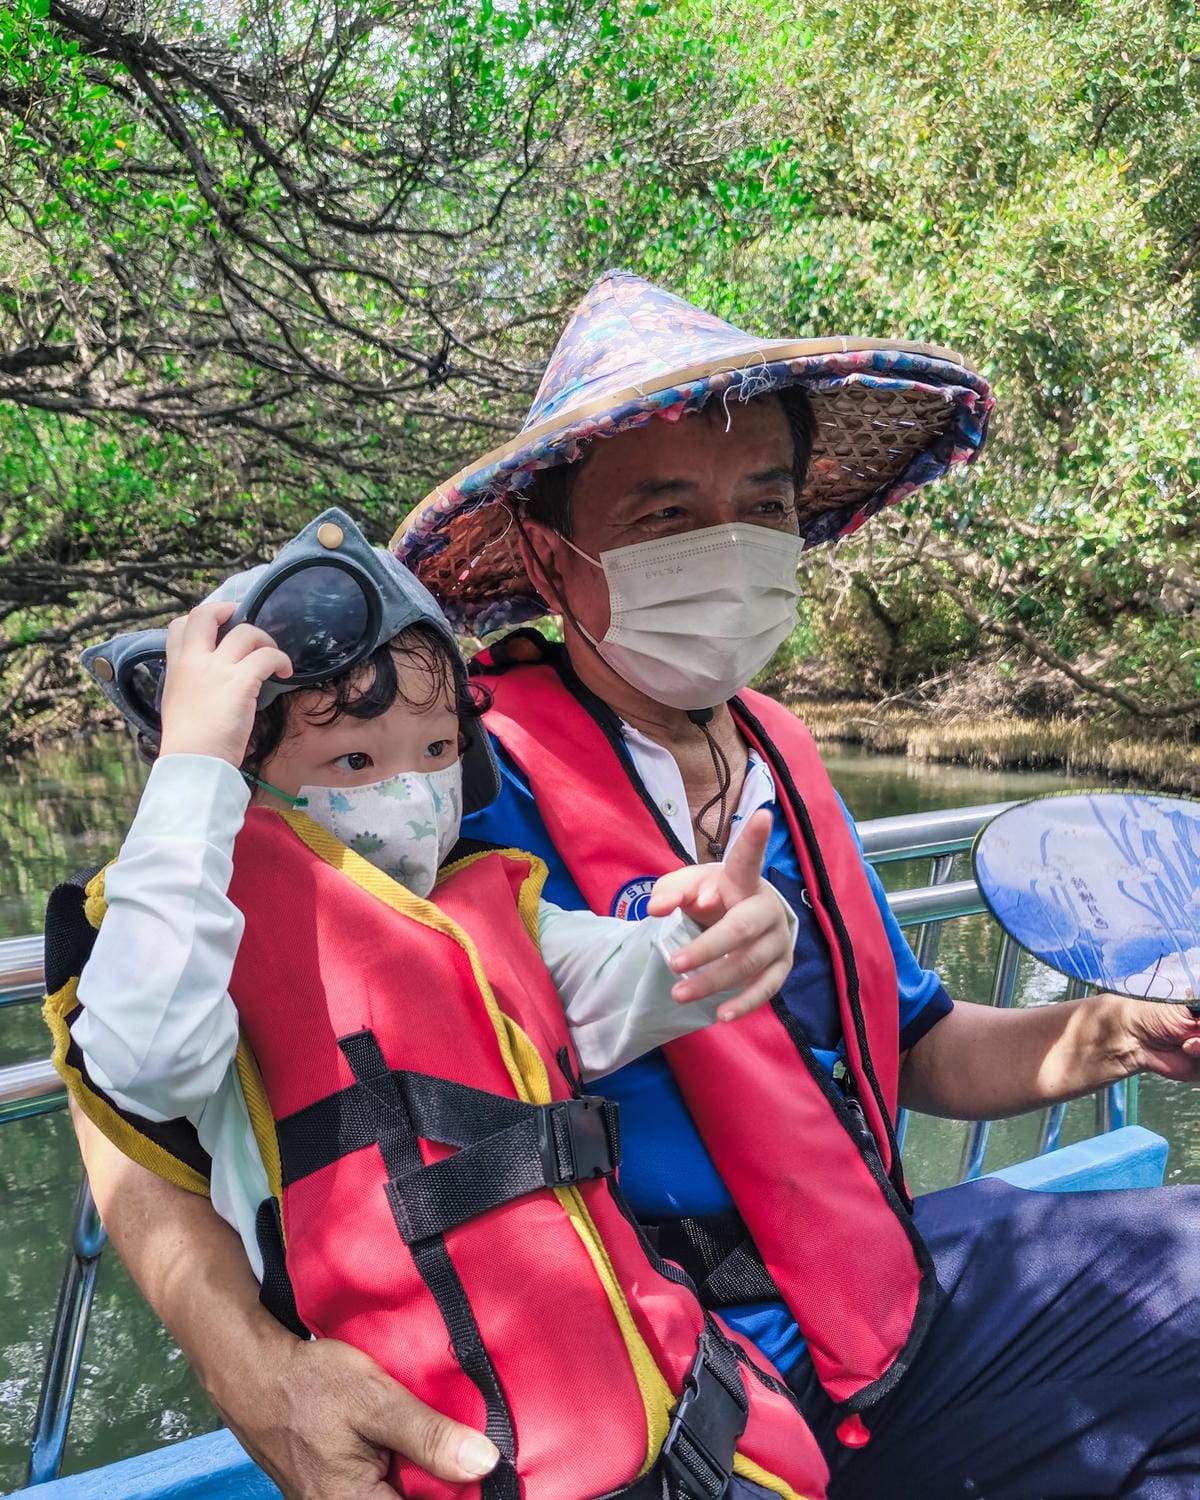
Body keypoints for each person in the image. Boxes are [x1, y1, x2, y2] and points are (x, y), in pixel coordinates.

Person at [66, 271, 1200, 1500]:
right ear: (553, 565)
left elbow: (912, 1045)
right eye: (666, 517)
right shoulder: (440, 765)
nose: (729, 543)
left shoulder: (779, 750)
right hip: (665, 1377)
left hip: (880, 1302)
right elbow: (124, 1044)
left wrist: (1112, 1035)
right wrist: (262, 1381)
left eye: (762, 503)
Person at [47, 508, 826, 1499]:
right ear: (242, 787)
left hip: (668, 1431)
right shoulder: (203, 944)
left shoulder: (493, 904)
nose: (410, 795)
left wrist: (719, 934)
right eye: (353, 764)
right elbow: (145, 1056)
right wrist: (192, 767)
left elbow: (627, 981)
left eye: (433, 750)